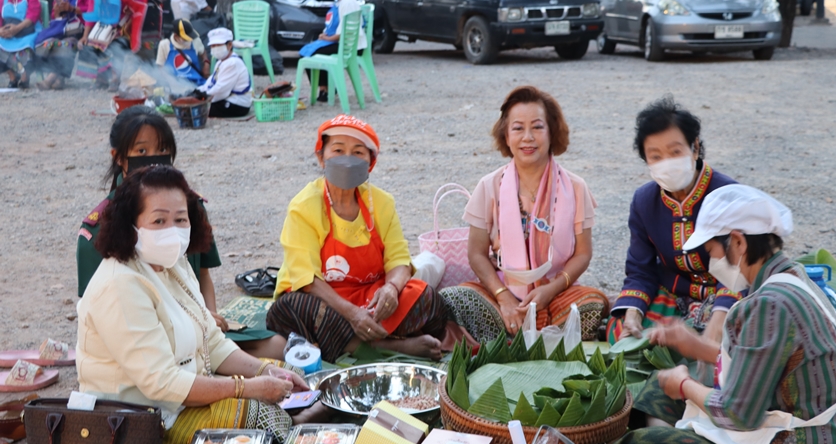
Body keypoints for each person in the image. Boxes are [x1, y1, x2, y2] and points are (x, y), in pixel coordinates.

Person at [618, 184, 836, 444]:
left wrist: (685, 384)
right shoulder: (792, 277)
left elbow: (739, 414)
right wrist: (697, 347)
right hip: (800, 443)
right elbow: (766, 362)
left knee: (643, 442)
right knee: (657, 389)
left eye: (714, 251)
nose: (713, 261)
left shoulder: (771, 305)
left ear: (738, 242)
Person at [77, 165, 310, 444]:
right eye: (159, 221)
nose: (172, 231)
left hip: (182, 400)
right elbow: (161, 384)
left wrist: (264, 370)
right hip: (140, 424)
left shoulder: (174, 263)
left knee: (290, 375)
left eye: (180, 219)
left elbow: (212, 341)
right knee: (262, 416)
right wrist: (246, 387)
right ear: (130, 225)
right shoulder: (119, 285)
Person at [76, 106, 285, 359]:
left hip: (198, 325)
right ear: (119, 157)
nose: (153, 159)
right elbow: (100, 313)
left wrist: (209, 315)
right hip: (144, 338)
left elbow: (203, 275)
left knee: (279, 346)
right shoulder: (99, 228)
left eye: (163, 150)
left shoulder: (190, 208)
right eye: (141, 151)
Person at [266, 115, 449, 363]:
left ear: (370, 163)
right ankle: (384, 345)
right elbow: (306, 279)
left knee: (429, 300)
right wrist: (352, 315)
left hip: (371, 297)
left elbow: (399, 260)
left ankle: (355, 341)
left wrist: (391, 289)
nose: (348, 160)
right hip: (324, 299)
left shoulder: (382, 203)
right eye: (338, 150)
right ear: (321, 157)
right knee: (291, 309)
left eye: (358, 153)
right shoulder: (304, 206)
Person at [441, 86, 609, 344]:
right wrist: (503, 296)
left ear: (552, 132)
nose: (528, 137)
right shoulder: (489, 185)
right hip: (501, 292)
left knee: (591, 304)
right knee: (456, 299)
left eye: (538, 127)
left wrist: (550, 290)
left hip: (555, 294)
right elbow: (476, 253)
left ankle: (509, 341)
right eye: (518, 128)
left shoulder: (576, 187)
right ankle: (533, 337)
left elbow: (584, 253)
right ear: (506, 137)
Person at [607, 96, 739, 345]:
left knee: (734, 333)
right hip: (676, 296)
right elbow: (640, 269)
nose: (666, 162)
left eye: (675, 152)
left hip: (729, 296)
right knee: (620, 329)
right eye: (655, 156)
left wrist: (719, 319)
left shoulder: (728, 194)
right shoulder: (644, 201)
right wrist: (633, 315)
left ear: (695, 147)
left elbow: (739, 270)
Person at [298, 0, 366, 104]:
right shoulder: (342, 1)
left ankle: (326, 88)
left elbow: (346, 33)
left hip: (348, 46)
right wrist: (325, 35)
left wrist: (327, 39)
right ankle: (326, 88)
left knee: (309, 53)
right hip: (342, 42)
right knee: (308, 49)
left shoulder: (347, 3)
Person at [34, 0, 91, 90]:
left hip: (80, 30)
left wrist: (72, 9)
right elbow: (55, 18)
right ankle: (59, 79)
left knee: (66, 44)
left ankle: (49, 79)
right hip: (62, 30)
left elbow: (91, 12)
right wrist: (58, 11)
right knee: (50, 43)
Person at [74, 0, 127, 90]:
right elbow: (90, 18)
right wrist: (85, 36)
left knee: (112, 45)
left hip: (118, 28)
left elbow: (126, 13)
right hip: (101, 28)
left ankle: (115, 78)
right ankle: (101, 78)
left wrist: (119, 27)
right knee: (89, 44)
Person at [195, 27, 252, 118]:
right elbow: (211, 82)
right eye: (213, 46)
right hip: (226, 98)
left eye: (218, 45)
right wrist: (199, 90)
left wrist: (203, 97)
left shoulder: (232, 63)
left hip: (238, 104)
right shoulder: (220, 62)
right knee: (196, 104)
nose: (215, 48)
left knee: (199, 109)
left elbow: (221, 89)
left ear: (229, 45)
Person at [0, 0, 41, 89]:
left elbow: (33, 15)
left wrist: (17, 28)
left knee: (25, 50)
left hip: (28, 31)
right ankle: (13, 76)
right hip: (8, 34)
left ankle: (24, 76)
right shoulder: (2, 0)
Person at [156, 19, 208, 86]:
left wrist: (206, 63)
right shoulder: (164, 44)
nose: (189, 40)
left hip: (196, 83)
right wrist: (170, 81)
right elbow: (160, 67)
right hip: (175, 84)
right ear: (176, 36)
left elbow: (203, 52)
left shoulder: (195, 41)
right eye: (185, 39)